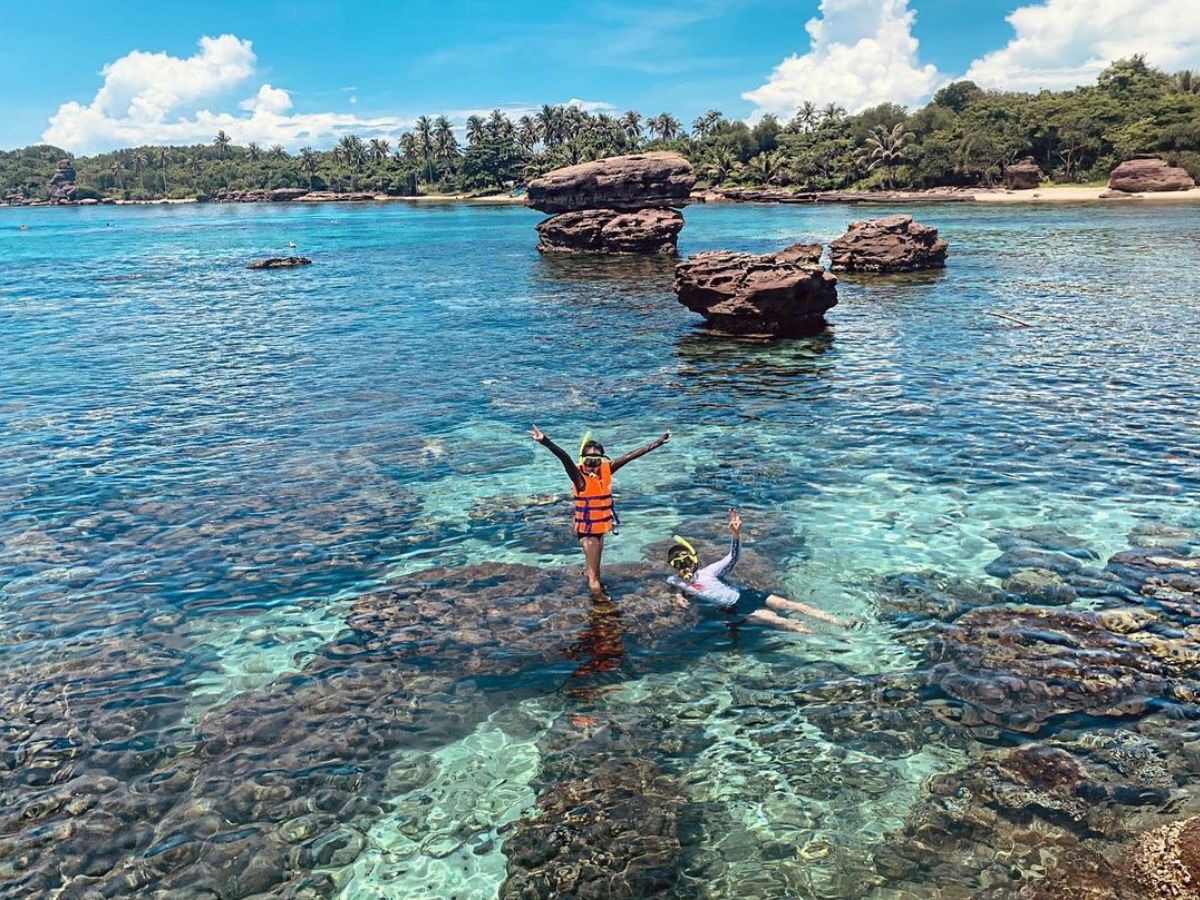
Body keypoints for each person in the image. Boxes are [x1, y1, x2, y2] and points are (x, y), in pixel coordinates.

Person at [531, 425, 670, 596]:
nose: (593, 466)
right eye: (589, 461)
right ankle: (602, 610)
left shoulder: (606, 471)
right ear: (583, 460)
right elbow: (563, 457)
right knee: (595, 579)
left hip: (600, 530)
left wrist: (658, 442)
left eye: (597, 461)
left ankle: (593, 600)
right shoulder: (579, 478)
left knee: (593, 571)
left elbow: (630, 456)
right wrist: (545, 441)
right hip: (589, 534)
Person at [667, 509, 849, 633]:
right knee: (784, 623)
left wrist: (735, 535)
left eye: (686, 562)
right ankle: (834, 637)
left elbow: (732, 558)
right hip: (737, 609)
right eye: (678, 565)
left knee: (795, 606)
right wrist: (678, 595)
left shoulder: (709, 572)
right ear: (673, 568)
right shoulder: (675, 581)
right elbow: (674, 585)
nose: (684, 567)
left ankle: (840, 623)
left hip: (748, 595)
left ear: (694, 559)